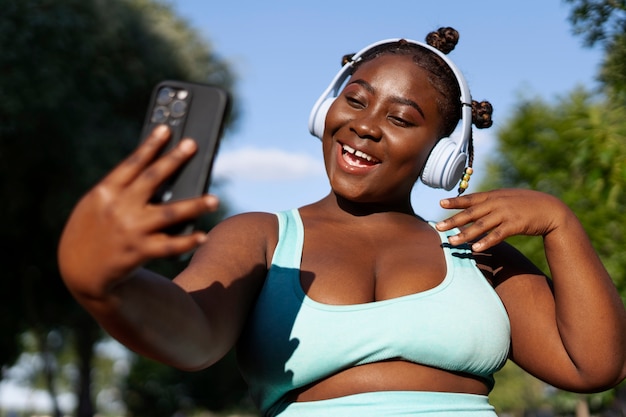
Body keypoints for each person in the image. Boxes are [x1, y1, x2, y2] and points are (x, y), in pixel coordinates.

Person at [57, 27, 626, 416]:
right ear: (324, 110)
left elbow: (592, 365)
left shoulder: (473, 247)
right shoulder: (260, 235)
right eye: (355, 101)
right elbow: (191, 335)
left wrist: (559, 223)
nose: (366, 126)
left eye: (401, 118)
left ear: (441, 155)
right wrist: (105, 285)